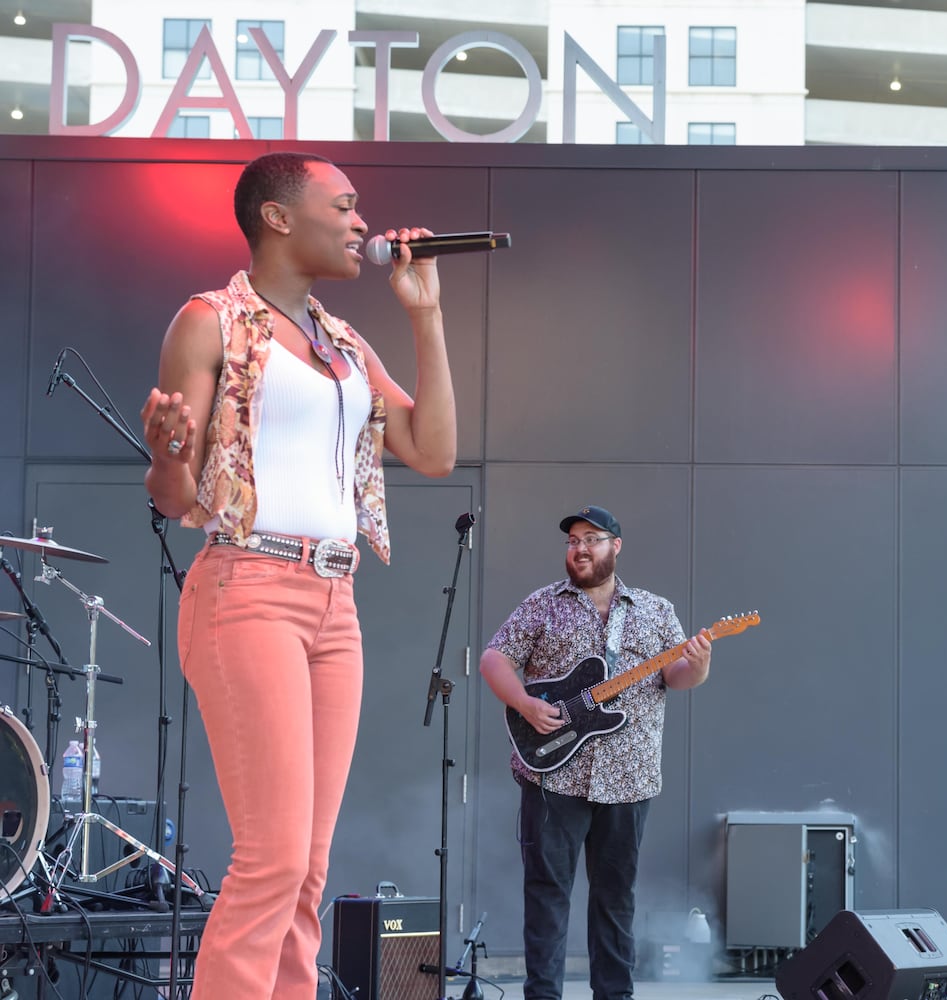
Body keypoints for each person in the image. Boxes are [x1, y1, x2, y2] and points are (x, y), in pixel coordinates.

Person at [139, 151, 456, 999]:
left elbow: (432, 450)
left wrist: (425, 316)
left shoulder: (345, 344)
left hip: (334, 601)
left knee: (308, 867)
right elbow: (175, 497)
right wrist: (168, 450)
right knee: (272, 858)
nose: (363, 224)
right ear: (279, 218)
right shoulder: (210, 320)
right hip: (247, 589)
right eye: (345, 206)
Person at [479, 505, 711, 1000]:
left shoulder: (655, 610)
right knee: (547, 895)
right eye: (572, 540)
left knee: (615, 900)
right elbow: (494, 657)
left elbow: (677, 677)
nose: (579, 548)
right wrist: (523, 702)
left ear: (615, 546)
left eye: (591, 539)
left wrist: (699, 664)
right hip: (551, 774)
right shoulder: (543, 604)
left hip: (628, 778)